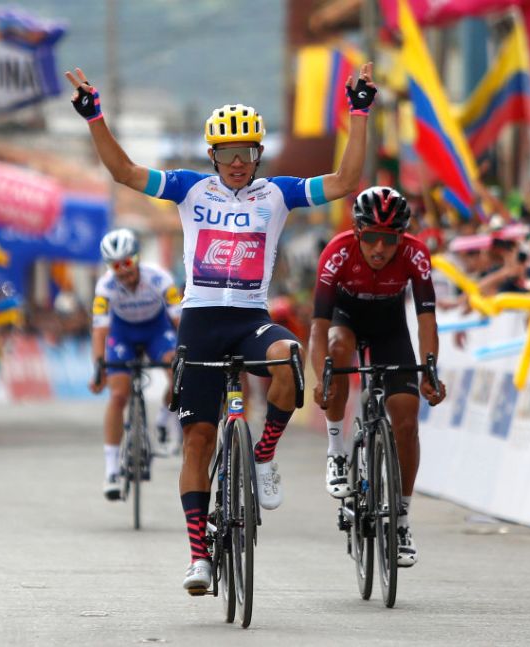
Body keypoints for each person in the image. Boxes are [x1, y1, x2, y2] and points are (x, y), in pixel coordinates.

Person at [65, 62, 376, 595]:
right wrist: (95, 117)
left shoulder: (277, 194)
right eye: (228, 152)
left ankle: (263, 456)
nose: (237, 162)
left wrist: (359, 111)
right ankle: (199, 558)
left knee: (287, 358)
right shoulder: (189, 189)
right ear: (212, 155)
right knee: (198, 442)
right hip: (201, 322)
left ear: (259, 154)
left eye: (246, 152)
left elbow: (347, 182)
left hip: (251, 320)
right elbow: (125, 172)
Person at [308, 186, 447, 568]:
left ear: (401, 236)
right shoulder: (337, 252)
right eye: (371, 238)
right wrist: (322, 378)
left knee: (406, 420)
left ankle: (400, 519)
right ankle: (337, 452)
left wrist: (430, 369)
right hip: (346, 319)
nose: (380, 248)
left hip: (390, 327)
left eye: (389, 239)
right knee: (337, 351)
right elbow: (318, 326)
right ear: (357, 232)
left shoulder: (416, 254)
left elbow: (426, 320)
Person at [90, 228, 182, 499]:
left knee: (179, 372)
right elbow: (99, 330)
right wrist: (99, 367)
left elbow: (179, 320)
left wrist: (190, 352)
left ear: (137, 258)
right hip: (123, 334)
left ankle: (165, 417)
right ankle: (111, 470)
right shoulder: (105, 287)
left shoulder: (161, 278)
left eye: (127, 262)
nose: (123, 271)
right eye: (116, 266)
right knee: (118, 395)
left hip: (157, 330)